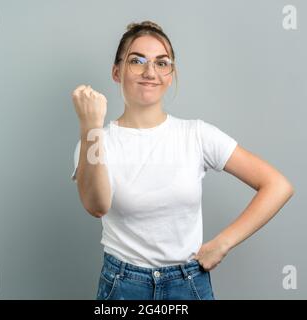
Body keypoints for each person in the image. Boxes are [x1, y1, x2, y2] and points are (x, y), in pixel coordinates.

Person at [70, 21, 294, 300]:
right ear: (117, 72)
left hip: (188, 283)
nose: (150, 72)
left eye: (162, 63)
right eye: (136, 61)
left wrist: (223, 243)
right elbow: (96, 206)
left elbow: (277, 185)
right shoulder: (94, 141)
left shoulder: (196, 135)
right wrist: (91, 127)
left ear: (171, 74)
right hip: (124, 285)